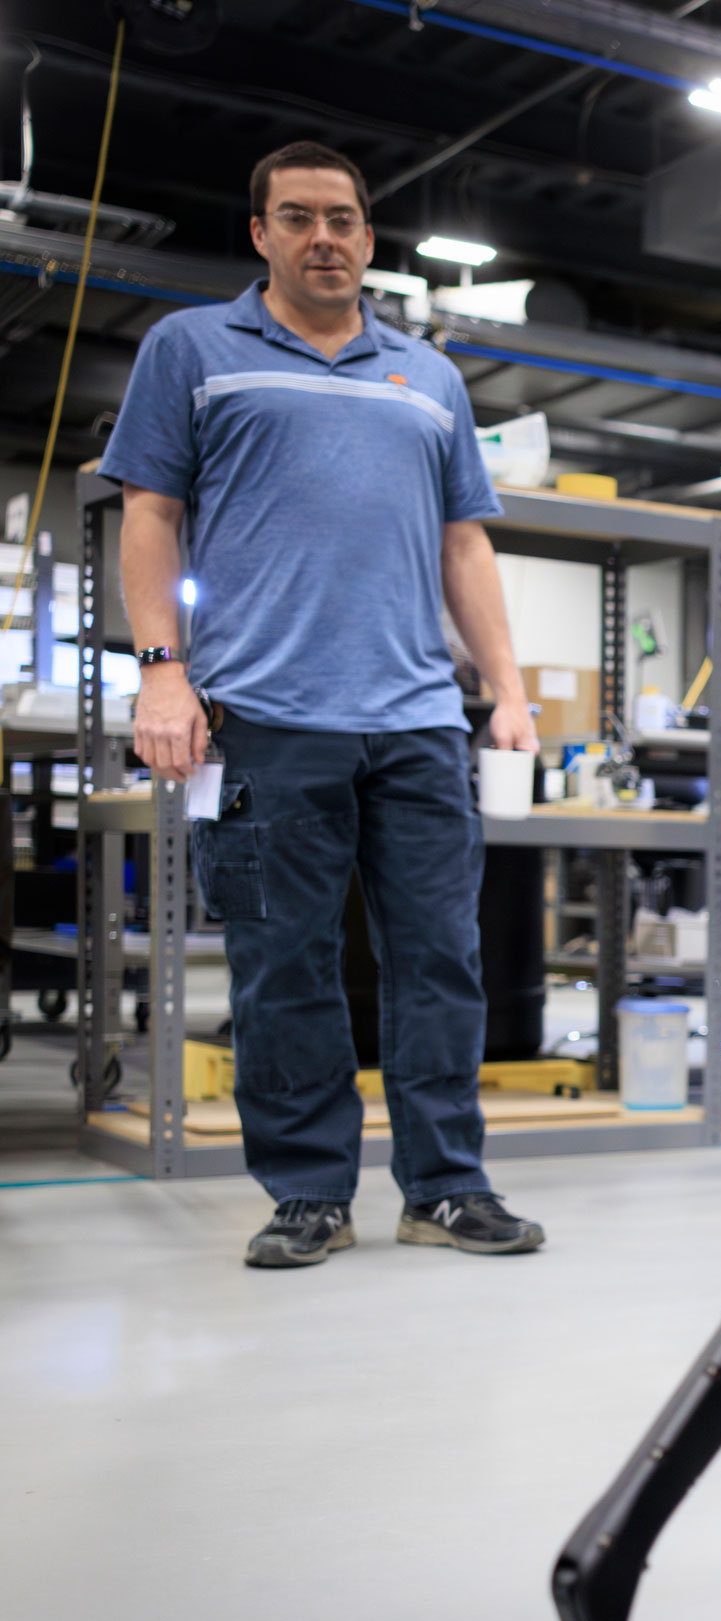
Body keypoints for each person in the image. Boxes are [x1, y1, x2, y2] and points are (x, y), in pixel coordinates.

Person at [106, 140, 544, 1269]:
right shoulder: (193, 349)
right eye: (297, 218)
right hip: (264, 712)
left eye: (343, 218)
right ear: (260, 233)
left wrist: (506, 686)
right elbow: (148, 515)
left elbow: (465, 542)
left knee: (441, 956)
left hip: (412, 716)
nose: (325, 238)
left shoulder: (428, 376)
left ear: (368, 234)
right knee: (284, 960)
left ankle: (445, 1183)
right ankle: (307, 1192)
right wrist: (163, 666)